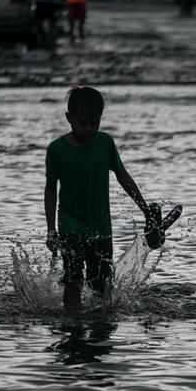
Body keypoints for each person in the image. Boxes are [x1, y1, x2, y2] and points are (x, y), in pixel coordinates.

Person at [44, 87, 151, 310]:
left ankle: (100, 327)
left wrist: (145, 209)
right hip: (70, 226)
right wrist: (51, 229)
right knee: (73, 281)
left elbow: (123, 176)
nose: (89, 129)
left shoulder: (105, 143)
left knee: (101, 284)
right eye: (83, 123)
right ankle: (72, 324)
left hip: (101, 228)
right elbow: (51, 189)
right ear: (69, 118)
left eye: (95, 122)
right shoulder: (56, 149)